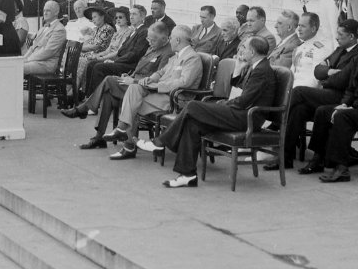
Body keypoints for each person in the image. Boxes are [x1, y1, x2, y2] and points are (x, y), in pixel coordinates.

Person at [137, 36, 275, 188]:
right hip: (241, 113)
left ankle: (161, 142)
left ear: (252, 51)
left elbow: (244, 101)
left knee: (193, 106)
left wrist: (224, 103)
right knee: (192, 124)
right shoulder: (256, 66)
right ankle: (188, 175)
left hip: (247, 118)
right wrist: (238, 66)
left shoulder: (261, 70)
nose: (241, 50)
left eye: (244, 48)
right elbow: (239, 86)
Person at [298, 23, 358, 183]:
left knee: (342, 117)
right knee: (323, 111)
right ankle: (319, 158)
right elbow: (350, 89)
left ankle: (341, 168)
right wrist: (344, 104)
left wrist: (351, 107)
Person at [265, 18, 358, 171]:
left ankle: (274, 117)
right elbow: (318, 71)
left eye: (340, 34)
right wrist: (329, 72)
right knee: (298, 110)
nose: (336, 37)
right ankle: (286, 157)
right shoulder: (339, 50)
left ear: (351, 37)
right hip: (330, 92)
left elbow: (343, 81)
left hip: (343, 98)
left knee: (298, 92)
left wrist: (327, 79)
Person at [65, 22, 173, 147]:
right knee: (108, 94)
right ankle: (98, 136)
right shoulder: (153, 47)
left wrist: (134, 81)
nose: (149, 42)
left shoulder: (167, 53)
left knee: (109, 80)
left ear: (164, 39)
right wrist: (130, 76)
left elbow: (156, 80)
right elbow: (141, 67)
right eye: (148, 38)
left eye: (152, 40)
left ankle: (85, 110)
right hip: (133, 83)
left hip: (143, 90)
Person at [106, 26, 204, 160]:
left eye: (171, 38)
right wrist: (151, 78)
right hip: (161, 95)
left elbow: (184, 83)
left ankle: (126, 141)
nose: (169, 41)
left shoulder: (192, 58)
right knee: (134, 89)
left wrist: (157, 86)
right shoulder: (177, 56)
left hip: (175, 99)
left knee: (132, 103)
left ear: (178, 40)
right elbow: (161, 72)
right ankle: (124, 134)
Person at [81, 4, 150, 94]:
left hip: (130, 65)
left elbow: (135, 54)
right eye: (130, 14)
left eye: (134, 14)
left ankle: (96, 99)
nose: (131, 17)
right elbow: (122, 49)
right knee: (92, 64)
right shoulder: (134, 31)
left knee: (98, 67)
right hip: (122, 61)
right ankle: (89, 96)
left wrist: (115, 61)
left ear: (142, 16)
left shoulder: (144, 31)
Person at [77, 5, 132, 94]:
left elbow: (119, 51)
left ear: (127, 18)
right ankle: (86, 93)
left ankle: (90, 93)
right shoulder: (117, 32)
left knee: (92, 64)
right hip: (108, 55)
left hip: (115, 58)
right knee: (90, 62)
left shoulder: (128, 32)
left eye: (120, 17)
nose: (118, 19)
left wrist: (101, 58)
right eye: (116, 17)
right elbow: (108, 49)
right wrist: (98, 55)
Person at [21, 0, 67, 75]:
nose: (45, 13)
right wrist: (23, 59)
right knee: (15, 65)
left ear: (56, 12)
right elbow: (33, 47)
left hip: (46, 64)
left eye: (48, 10)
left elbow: (48, 51)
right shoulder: (43, 28)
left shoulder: (59, 29)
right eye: (44, 10)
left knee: (17, 68)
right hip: (36, 61)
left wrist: (28, 59)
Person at [288, 12, 332, 88]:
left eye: (303, 26)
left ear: (313, 29)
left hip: (303, 91)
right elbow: (292, 72)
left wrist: (294, 88)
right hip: (293, 88)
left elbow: (315, 80)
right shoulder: (299, 47)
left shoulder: (320, 49)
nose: (299, 29)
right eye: (299, 25)